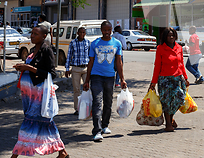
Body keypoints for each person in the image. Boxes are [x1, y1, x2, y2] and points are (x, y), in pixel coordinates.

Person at [11, 26, 70, 158]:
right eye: (31, 33)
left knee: (30, 122)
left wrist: (28, 68)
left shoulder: (46, 50)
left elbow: (51, 73)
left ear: (44, 36)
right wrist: (22, 68)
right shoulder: (32, 50)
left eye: (36, 34)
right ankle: (62, 152)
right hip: (29, 95)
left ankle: (15, 154)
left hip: (39, 94)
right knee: (45, 123)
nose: (32, 36)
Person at [83, 21, 126, 142]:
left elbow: (119, 62)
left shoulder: (116, 43)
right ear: (101, 30)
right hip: (96, 76)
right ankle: (96, 131)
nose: (107, 32)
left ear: (112, 30)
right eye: (104, 30)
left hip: (110, 77)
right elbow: (90, 62)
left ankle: (105, 125)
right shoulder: (95, 43)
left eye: (109, 30)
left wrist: (122, 79)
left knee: (108, 102)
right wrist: (87, 80)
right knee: (97, 102)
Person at [148, 27, 189, 132]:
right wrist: (153, 82)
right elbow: (157, 66)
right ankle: (168, 124)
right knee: (166, 102)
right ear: (164, 37)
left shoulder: (179, 48)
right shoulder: (160, 48)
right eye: (169, 35)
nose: (171, 37)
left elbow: (181, 64)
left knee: (180, 98)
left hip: (178, 78)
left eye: (173, 35)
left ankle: (171, 117)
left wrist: (186, 77)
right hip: (164, 80)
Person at [65, 27, 90, 115]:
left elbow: (90, 56)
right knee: (76, 89)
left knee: (87, 88)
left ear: (85, 33)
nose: (82, 34)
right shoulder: (73, 43)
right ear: (77, 33)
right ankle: (77, 108)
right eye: (80, 32)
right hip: (75, 68)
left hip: (86, 68)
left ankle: (87, 107)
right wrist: (67, 69)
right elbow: (69, 56)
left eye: (84, 32)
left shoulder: (87, 42)